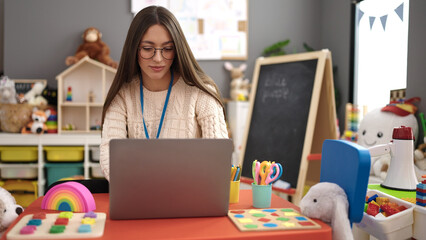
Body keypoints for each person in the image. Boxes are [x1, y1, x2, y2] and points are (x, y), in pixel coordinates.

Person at [99, 6, 228, 180]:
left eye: (167, 49)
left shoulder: (201, 92)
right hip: (139, 193)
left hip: (191, 196)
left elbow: (218, 159)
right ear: (134, 49)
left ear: (177, 50)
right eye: (147, 48)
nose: (158, 58)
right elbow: (110, 156)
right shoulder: (123, 94)